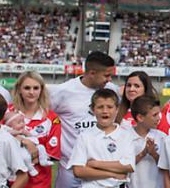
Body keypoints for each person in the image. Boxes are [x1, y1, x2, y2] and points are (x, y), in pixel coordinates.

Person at [50, 51, 119, 188]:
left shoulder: (111, 90)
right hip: (70, 169)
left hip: (102, 168)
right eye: (106, 75)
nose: (110, 79)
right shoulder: (63, 92)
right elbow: (42, 115)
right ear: (92, 73)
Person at [69, 89, 135, 187]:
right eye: (100, 107)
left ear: (117, 109)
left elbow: (128, 166)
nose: (105, 111)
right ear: (92, 109)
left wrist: (95, 164)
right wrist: (112, 174)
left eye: (109, 107)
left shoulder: (126, 135)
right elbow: (78, 171)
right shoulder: (85, 136)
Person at [9, 71, 62, 188]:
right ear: (19, 90)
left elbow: (52, 153)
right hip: (11, 181)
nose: (31, 92)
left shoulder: (52, 118)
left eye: (36, 88)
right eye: (27, 88)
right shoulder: (8, 113)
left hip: (40, 182)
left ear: (41, 90)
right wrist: (24, 142)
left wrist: (31, 154)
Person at [127, 95, 166, 188]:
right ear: (140, 117)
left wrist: (154, 154)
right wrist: (143, 153)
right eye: (154, 115)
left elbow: (167, 167)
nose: (158, 118)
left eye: (159, 114)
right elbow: (123, 165)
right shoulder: (125, 136)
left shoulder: (162, 137)